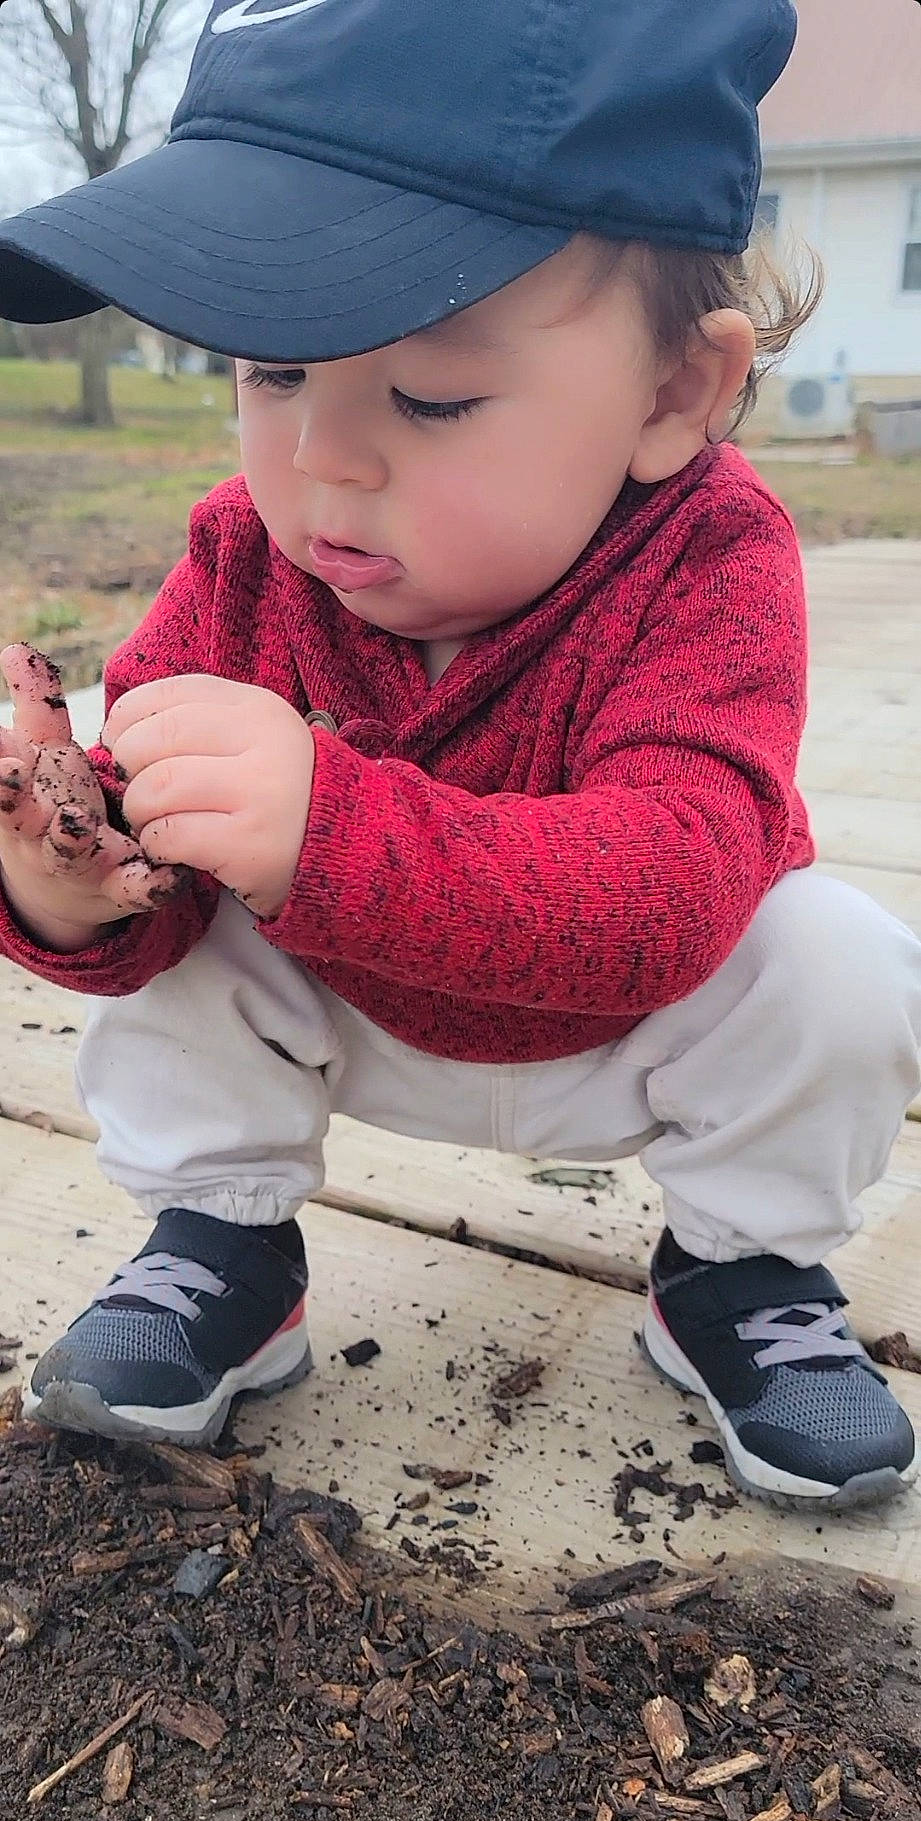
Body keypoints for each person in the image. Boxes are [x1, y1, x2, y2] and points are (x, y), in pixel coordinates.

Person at [0, 0, 920, 1510]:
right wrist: (73, 881)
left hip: (643, 1029)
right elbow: (146, 911)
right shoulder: (245, 560)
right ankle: (223, 1250)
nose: (321, 461)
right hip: (343, 1005)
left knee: (836, 965)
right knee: (196, 931)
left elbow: (675, 891)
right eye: (271, 373)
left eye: (429, 395)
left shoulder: (709, 560)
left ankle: (741, 1276)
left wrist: (326, 827)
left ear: (675, 394)